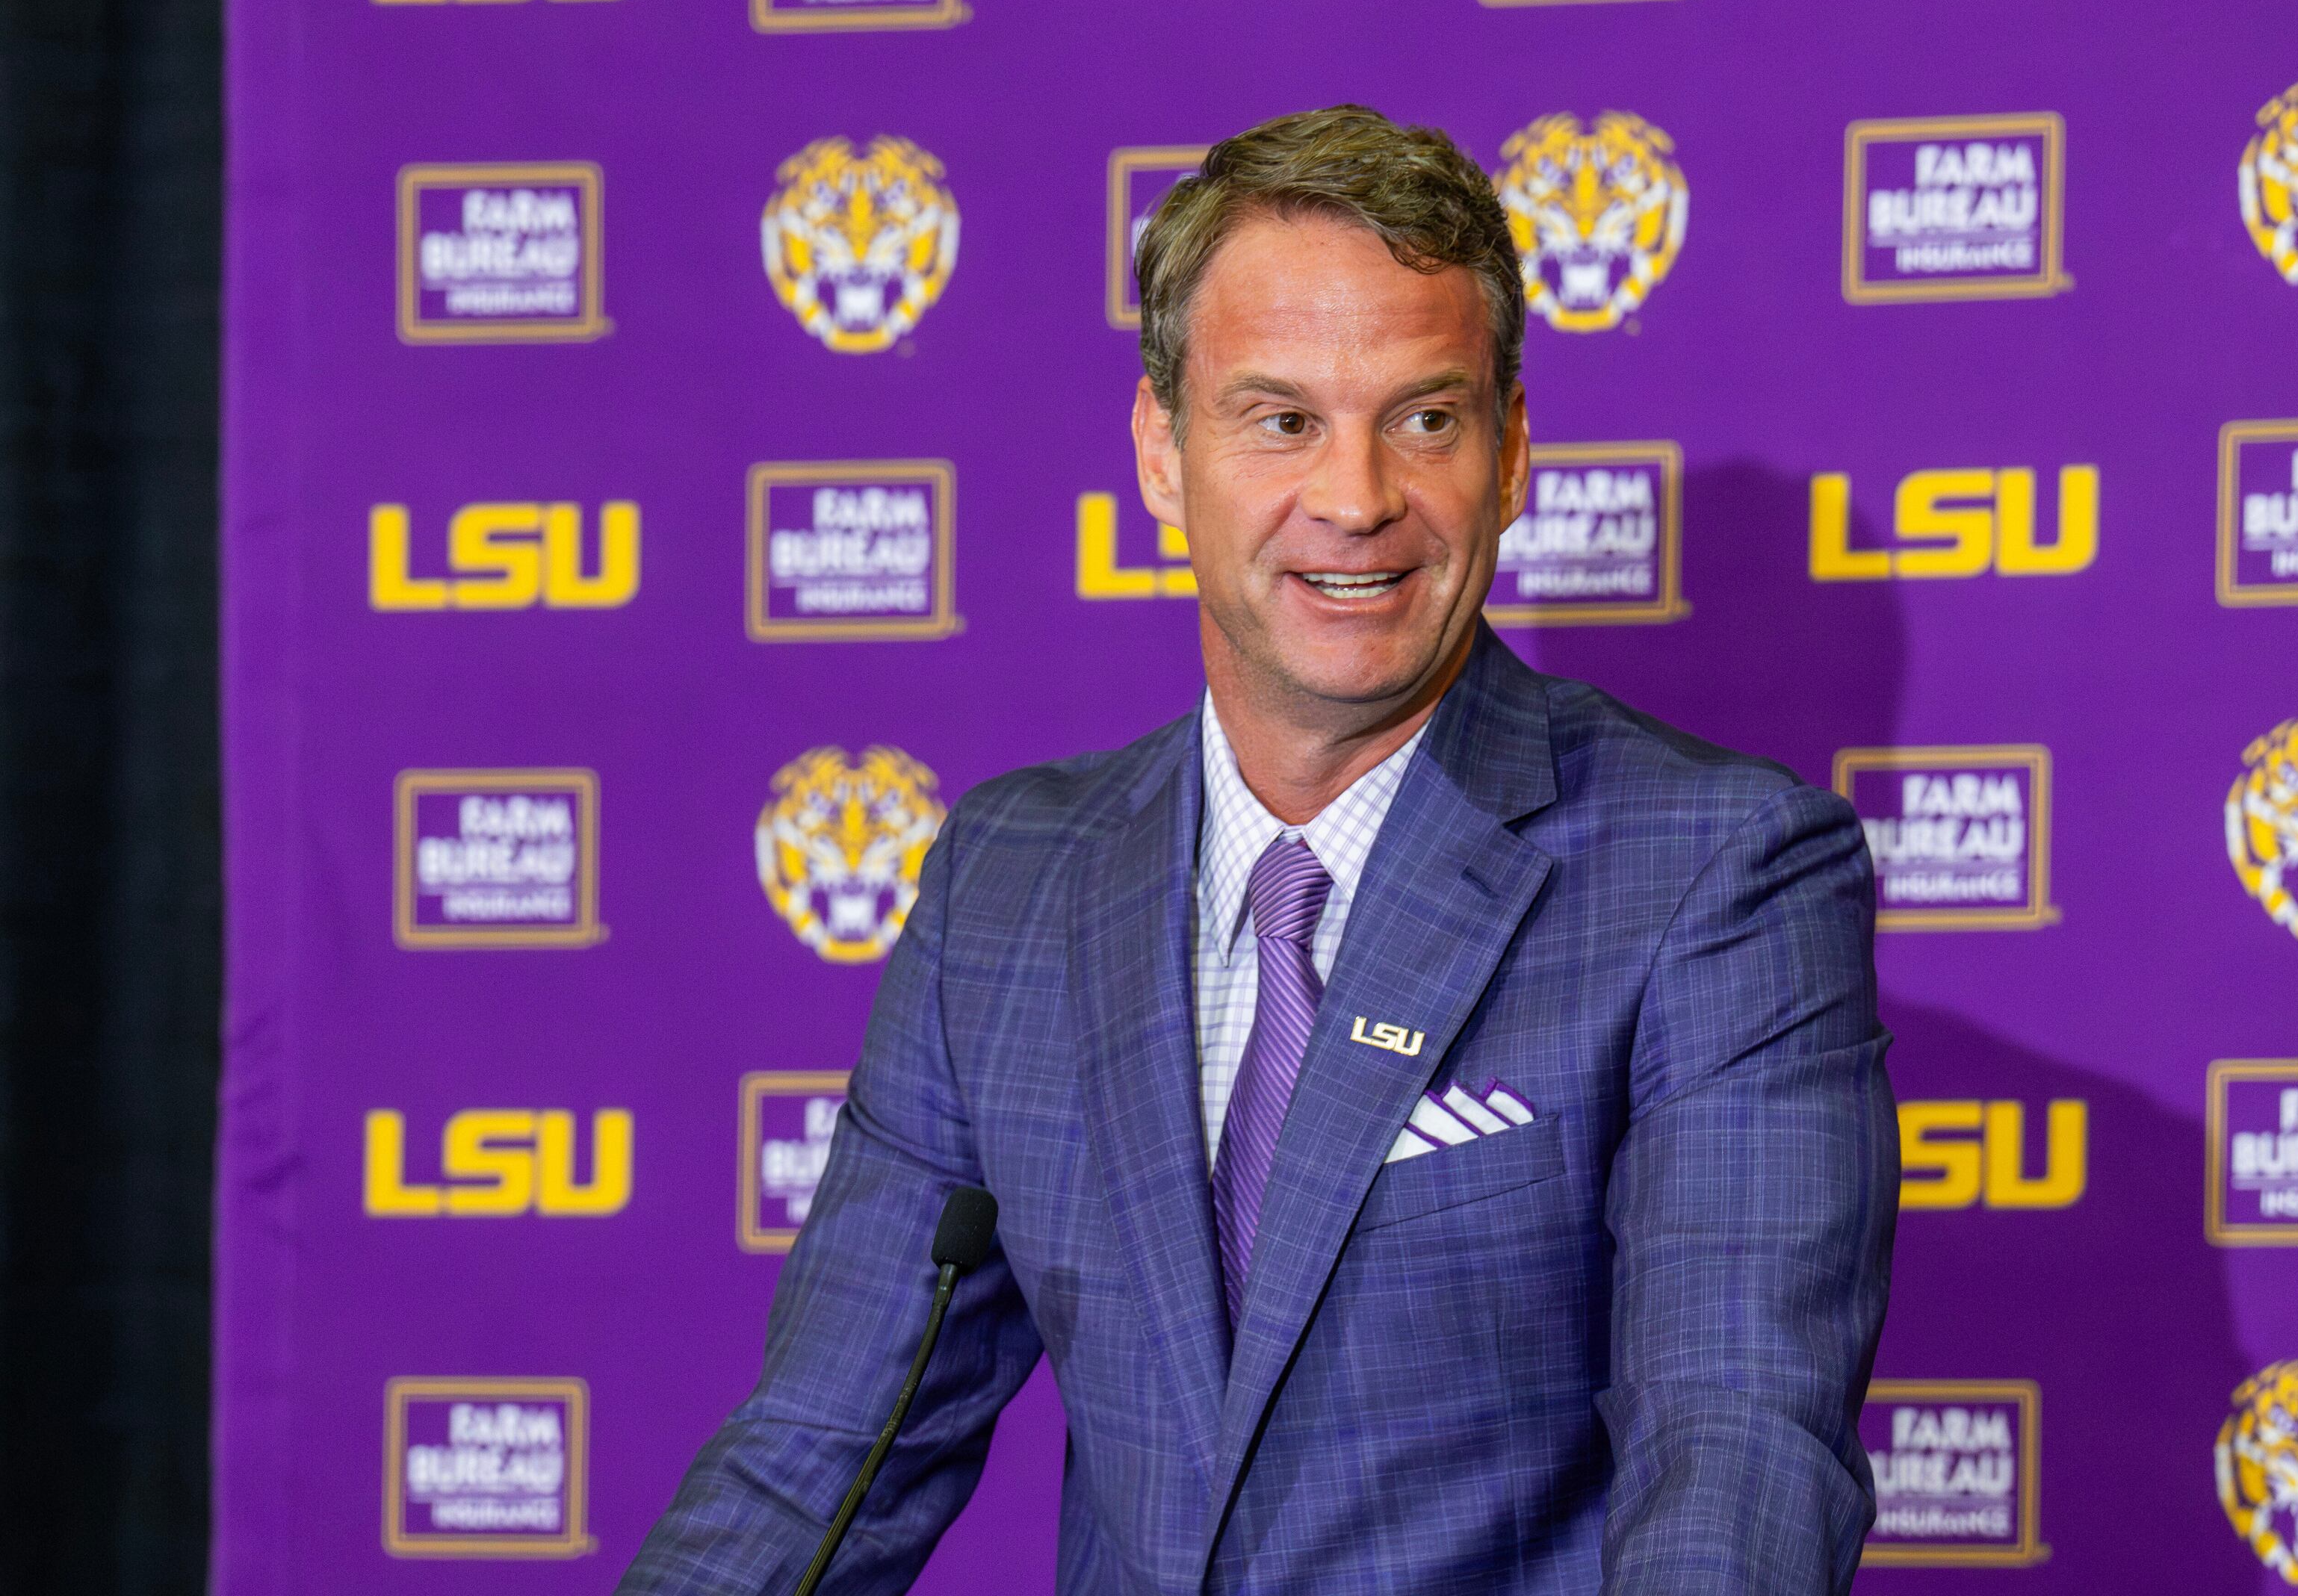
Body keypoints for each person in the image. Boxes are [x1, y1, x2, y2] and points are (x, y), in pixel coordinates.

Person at [620, 104, 1897, 1595]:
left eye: (1425, 417)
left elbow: (1734, 1459)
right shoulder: (1010, 887)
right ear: (1164, 456)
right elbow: (825, 1453)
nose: (1355, 500)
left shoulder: (1718, 877)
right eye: (1281, 419)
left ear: (1512, 452)